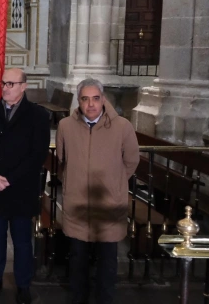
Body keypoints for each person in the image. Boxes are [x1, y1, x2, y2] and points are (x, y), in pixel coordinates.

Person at [56, 78, 139, 304]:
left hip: (109, 204)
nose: (91, 104)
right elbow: (62, 159)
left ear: (103, 99)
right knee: (77, 260)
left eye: (95, 98)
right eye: (85, 99)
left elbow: (131, 161)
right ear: (79, 101)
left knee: (107, 263)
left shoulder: (122, 126)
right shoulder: (65, 126)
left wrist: (115, 183)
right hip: (78, 203)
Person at [0, 68, 50, 304]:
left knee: (22, 239)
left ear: (24, 86)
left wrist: (9, 179)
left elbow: (37, 154)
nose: (5, 88)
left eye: (11, 84)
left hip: (21, 189)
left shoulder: (38, 115)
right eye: (3, 84)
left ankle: (23, 284)